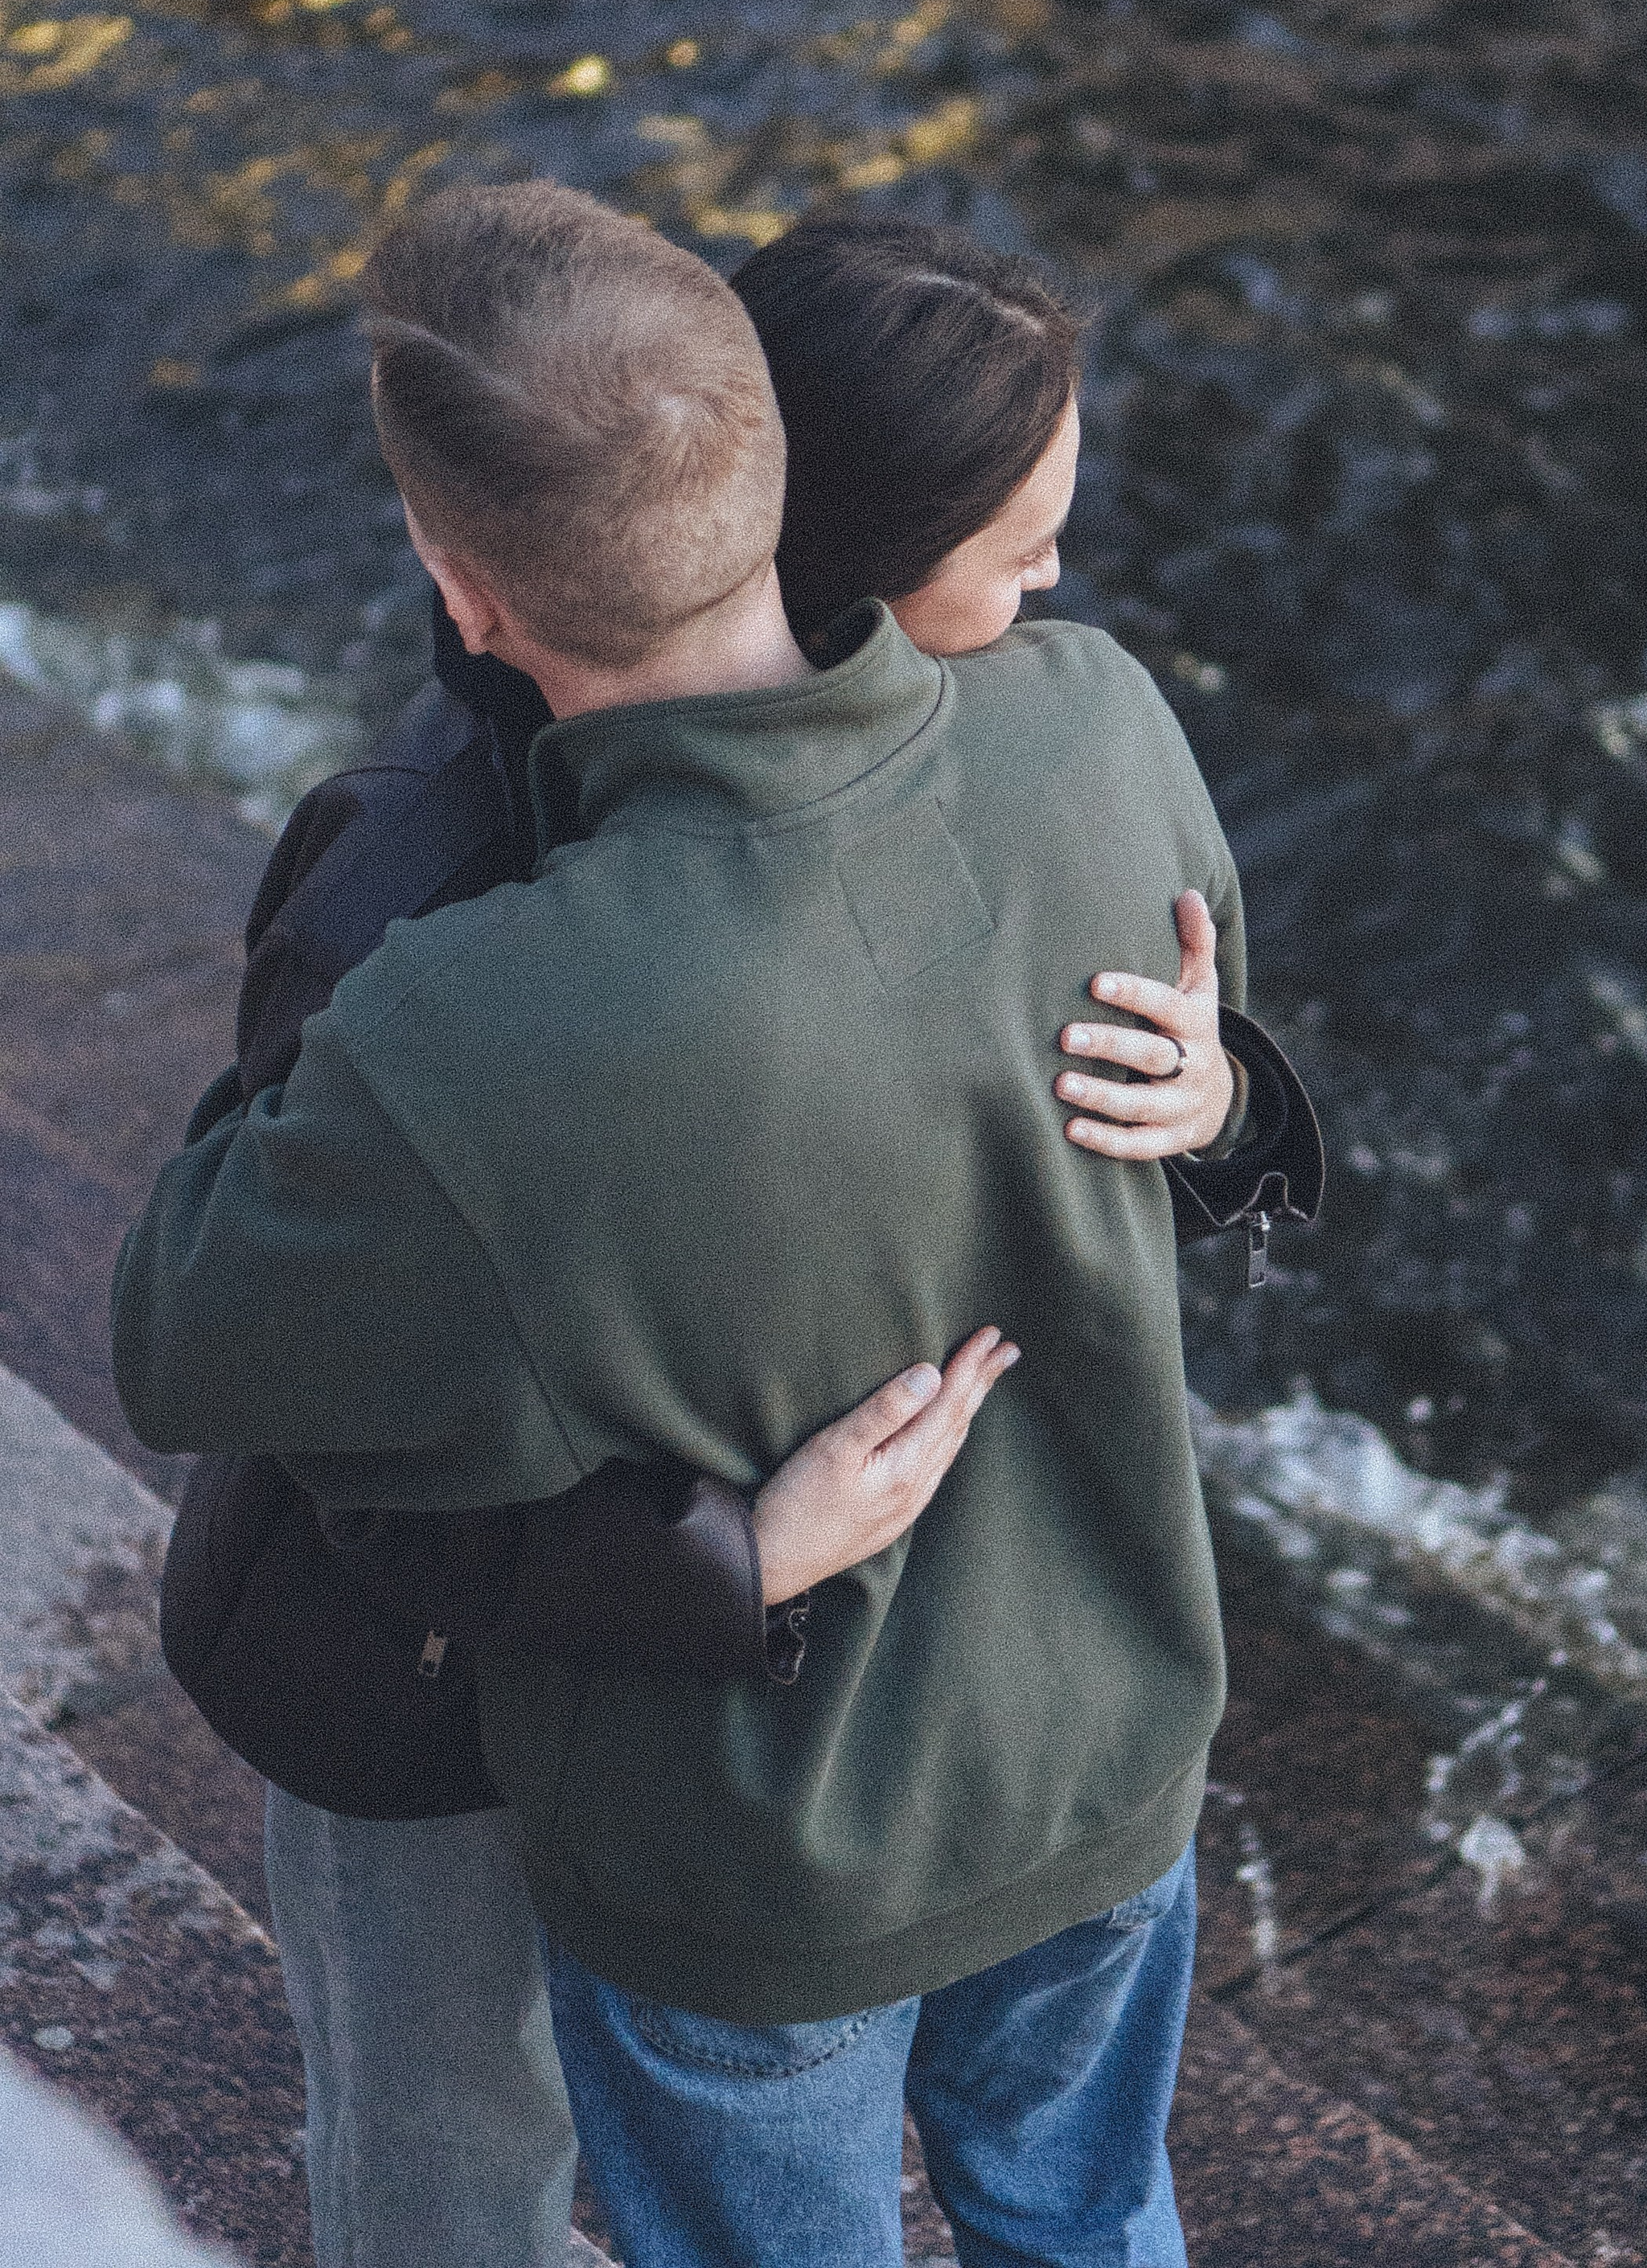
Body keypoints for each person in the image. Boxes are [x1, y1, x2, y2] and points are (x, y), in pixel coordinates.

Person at [114, 182, 1246, 2268]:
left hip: (768, 1852)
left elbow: (186, 1340)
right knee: (1089, 2221)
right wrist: (1232, 1095)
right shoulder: (1105, 721)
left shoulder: (464, 1011)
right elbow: (1174, 1070)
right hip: (1112, 1741)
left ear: (466, 594)